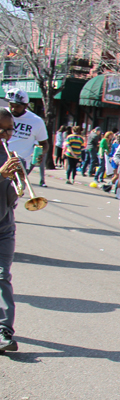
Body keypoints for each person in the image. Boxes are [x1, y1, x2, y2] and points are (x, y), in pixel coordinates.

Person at [0, 109, 23, 353]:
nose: (5, 134)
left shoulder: (11, 156)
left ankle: (3, 330)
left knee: (1, 276)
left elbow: (10, 198)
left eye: (9, 129)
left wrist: (17, 184)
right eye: (1, 128)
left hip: (4, 226)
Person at [5, 88, 49, 187]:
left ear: (26, 105)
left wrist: (40, 153)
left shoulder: (36, 121)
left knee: (11, 194)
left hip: (21, 164)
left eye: (17, 106)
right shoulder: (3, 114)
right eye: (11, 105)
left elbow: (44, 143)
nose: (13, 109)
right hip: (2, 158)